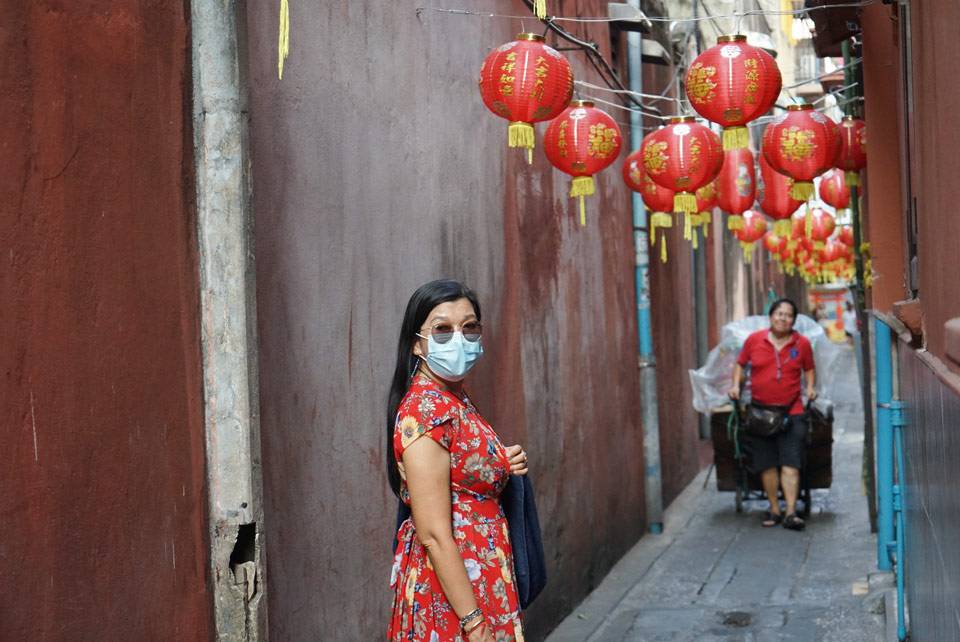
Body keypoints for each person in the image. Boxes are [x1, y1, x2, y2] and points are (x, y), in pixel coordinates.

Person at [386, 279, 529, 642]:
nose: (459, 339)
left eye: (469, 327)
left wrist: (502, 462)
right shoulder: (426, 410)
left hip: (480, 573)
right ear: (416, 343)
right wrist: (474, 623)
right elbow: (434, 534)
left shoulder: (453, 398)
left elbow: (460, 472)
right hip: (454, 589)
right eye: (442, 329)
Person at [729, 299, 817, 531]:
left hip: (792, 412)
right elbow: (740, 364)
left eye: (788, 315)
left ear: (793, 321)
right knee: (767, 465)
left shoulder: (802, 343)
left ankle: (791, 512)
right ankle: (775, 509)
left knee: (791, 463)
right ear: (771, 317)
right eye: (779, 313)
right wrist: (736, 386)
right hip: (760, 413)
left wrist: (810, 388)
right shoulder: (754, 340)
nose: (783, 318)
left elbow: (809, 368)